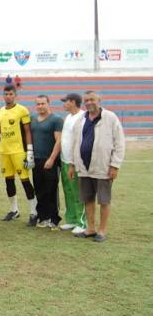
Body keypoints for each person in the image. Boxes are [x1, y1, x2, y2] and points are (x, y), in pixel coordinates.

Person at [70, 91, 125, 243]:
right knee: (87, 199)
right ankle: (91, 228)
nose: (89, 103)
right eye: (86, 100)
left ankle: (102, 230)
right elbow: (75, 142)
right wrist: (72, 164)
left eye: (92, 99)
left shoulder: (110, 117)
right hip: (84, 167)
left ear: (99, 100)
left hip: (103, 167)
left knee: (104, 200)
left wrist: (115, 165)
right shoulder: (81, 119)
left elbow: (119, 142)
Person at [0, 85, 38, 225]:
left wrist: (30, 152)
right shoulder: (1, 110)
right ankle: (14, 210)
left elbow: (27, 132)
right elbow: (1, 129)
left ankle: (34, 212)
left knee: (25, 181)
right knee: (8, 181)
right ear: (3, 95)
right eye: (6, 94)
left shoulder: (22, 110)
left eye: (10, 94)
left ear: (15, 95)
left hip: (18, 151)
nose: (8, 96)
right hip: (4, 151)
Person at [30, 95, 63, 229]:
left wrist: (51, 159)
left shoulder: (56, 119)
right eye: (38, 104)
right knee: (39, 189)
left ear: (48, 103)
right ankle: (43, 217)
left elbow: (59, 141)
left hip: (50, 160)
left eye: (43, 104)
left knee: (51, 190)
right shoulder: (32, 119)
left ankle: (54, 219)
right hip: (36, 159)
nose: (40, 106)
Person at [59, 93, 87, 234]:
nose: (63, 104)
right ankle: (71, 219)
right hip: (64, 159)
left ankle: (82, 222)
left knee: (77, 192)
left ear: (73, 102)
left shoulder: (82, 118)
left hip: (74, 162)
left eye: (66, 101)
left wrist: (72, 163)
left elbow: (78, 142)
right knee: (68, 192)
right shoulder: (68, 117)